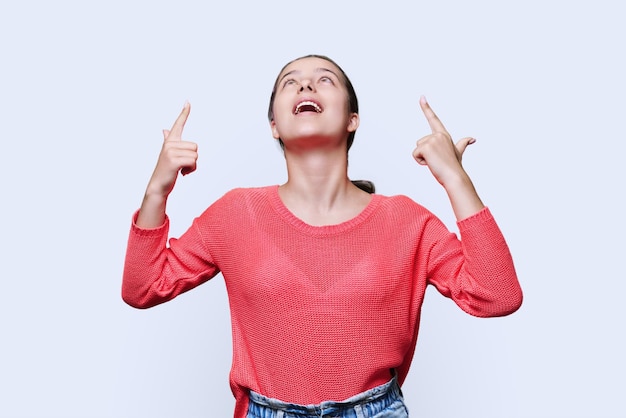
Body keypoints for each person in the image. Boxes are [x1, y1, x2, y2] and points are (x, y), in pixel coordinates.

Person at [122, 54, 523, 418]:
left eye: (324, 79)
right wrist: (157, 189)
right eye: (290, 82)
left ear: (353, 119)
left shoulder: (406, 221)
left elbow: (497, 295)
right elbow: (142, 288)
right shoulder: (235, 213)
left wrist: (454, 177)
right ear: (274, 126)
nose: (306, 85)